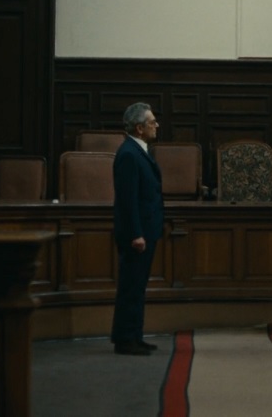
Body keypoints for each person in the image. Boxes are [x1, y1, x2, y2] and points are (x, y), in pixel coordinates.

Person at [111, 102, 164, 356]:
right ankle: (125, 340)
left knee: (137, 287)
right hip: (137, 234)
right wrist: (136, 234)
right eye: (152, 122)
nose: (157, 125)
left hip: (145, 230)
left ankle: (135, 336)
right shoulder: (129, 155)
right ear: (139, 128)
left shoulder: (138, 150)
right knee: (130, 288)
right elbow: (127, 200)